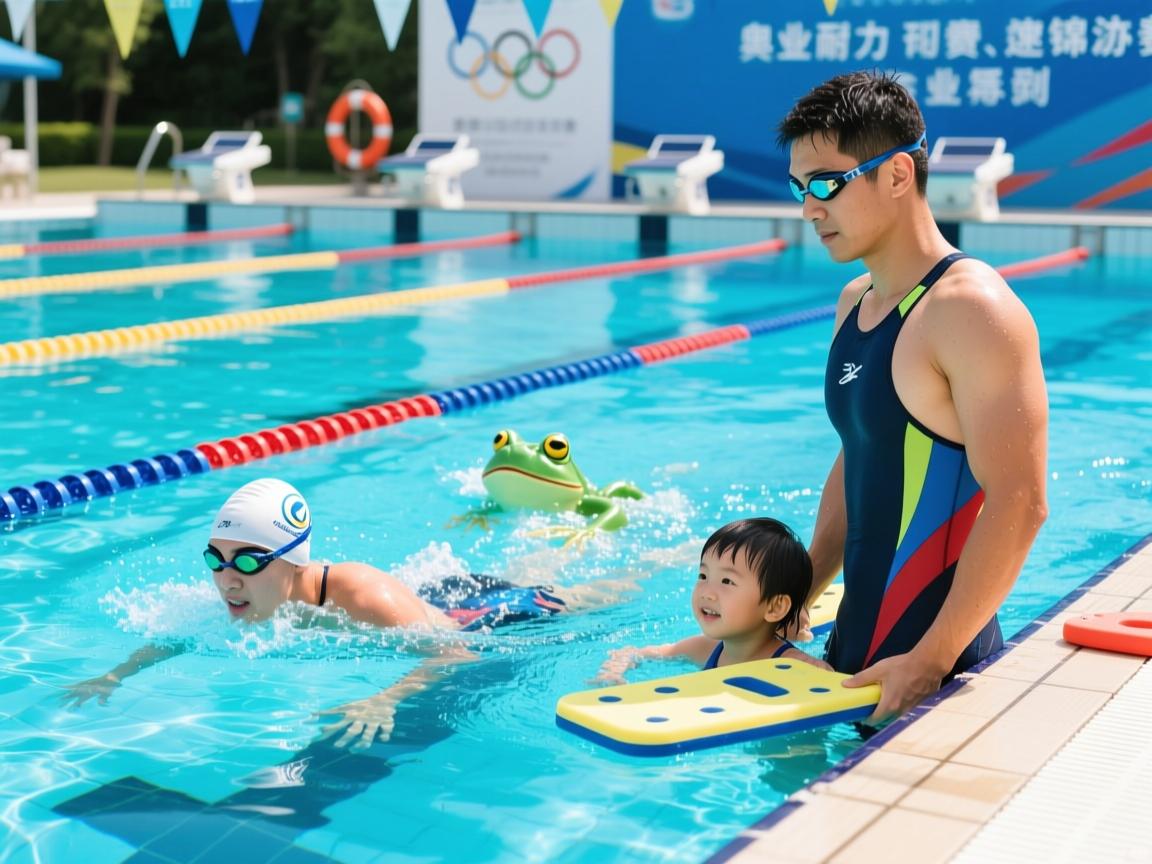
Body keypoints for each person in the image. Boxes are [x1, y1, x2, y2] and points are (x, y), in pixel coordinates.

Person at [776, 71, 1048, 722]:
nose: (809, 208)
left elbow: (1021, 499)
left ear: (897, 175)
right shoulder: (855, 305)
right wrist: (797, 598)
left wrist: (929, 663)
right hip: (848, 662)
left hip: (937, 676)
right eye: (798, 187)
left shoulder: (970, 309)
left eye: (825, 184)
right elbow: (860, 455)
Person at [64, 477, 643, 747]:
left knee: (596, 591)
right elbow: (179, 634)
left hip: (486, 615)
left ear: (292, 560)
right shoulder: (245, 590)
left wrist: (384, 697)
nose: (224, 579)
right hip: (438, 593)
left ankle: (644, 549)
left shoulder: (361, 595)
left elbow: (454, 651)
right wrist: (115, 674)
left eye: (245, 562)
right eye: (215, 558)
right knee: (534, 561)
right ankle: (553, 542)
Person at [596, 518, 830, 684]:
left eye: (727, 581)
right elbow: (633, 651)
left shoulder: (795, 666)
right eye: (703, 576)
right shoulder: (706, 649)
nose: (707, 592)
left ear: (775, 607)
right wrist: (614, 669)